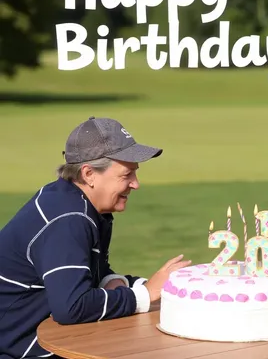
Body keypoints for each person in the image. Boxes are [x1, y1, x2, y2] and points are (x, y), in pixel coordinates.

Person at [0, 116, 191, 359]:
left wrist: (114, 281)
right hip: (19, 348)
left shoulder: (72, 201)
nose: (136, 184)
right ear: (89, 174)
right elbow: (71, 307)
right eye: (126, 175)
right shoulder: (68, 219)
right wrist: (146, 294)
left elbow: (85, 273)